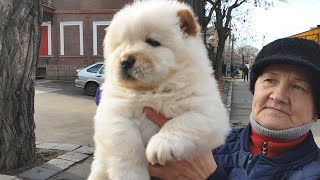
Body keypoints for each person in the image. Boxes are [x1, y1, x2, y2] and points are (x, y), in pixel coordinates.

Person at [144, 38, 320, 179]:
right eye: (270, 80)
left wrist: (208, 176)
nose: (278, 96)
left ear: (316, 110)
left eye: (298, 87)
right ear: (255, 88)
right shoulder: (212, 141)